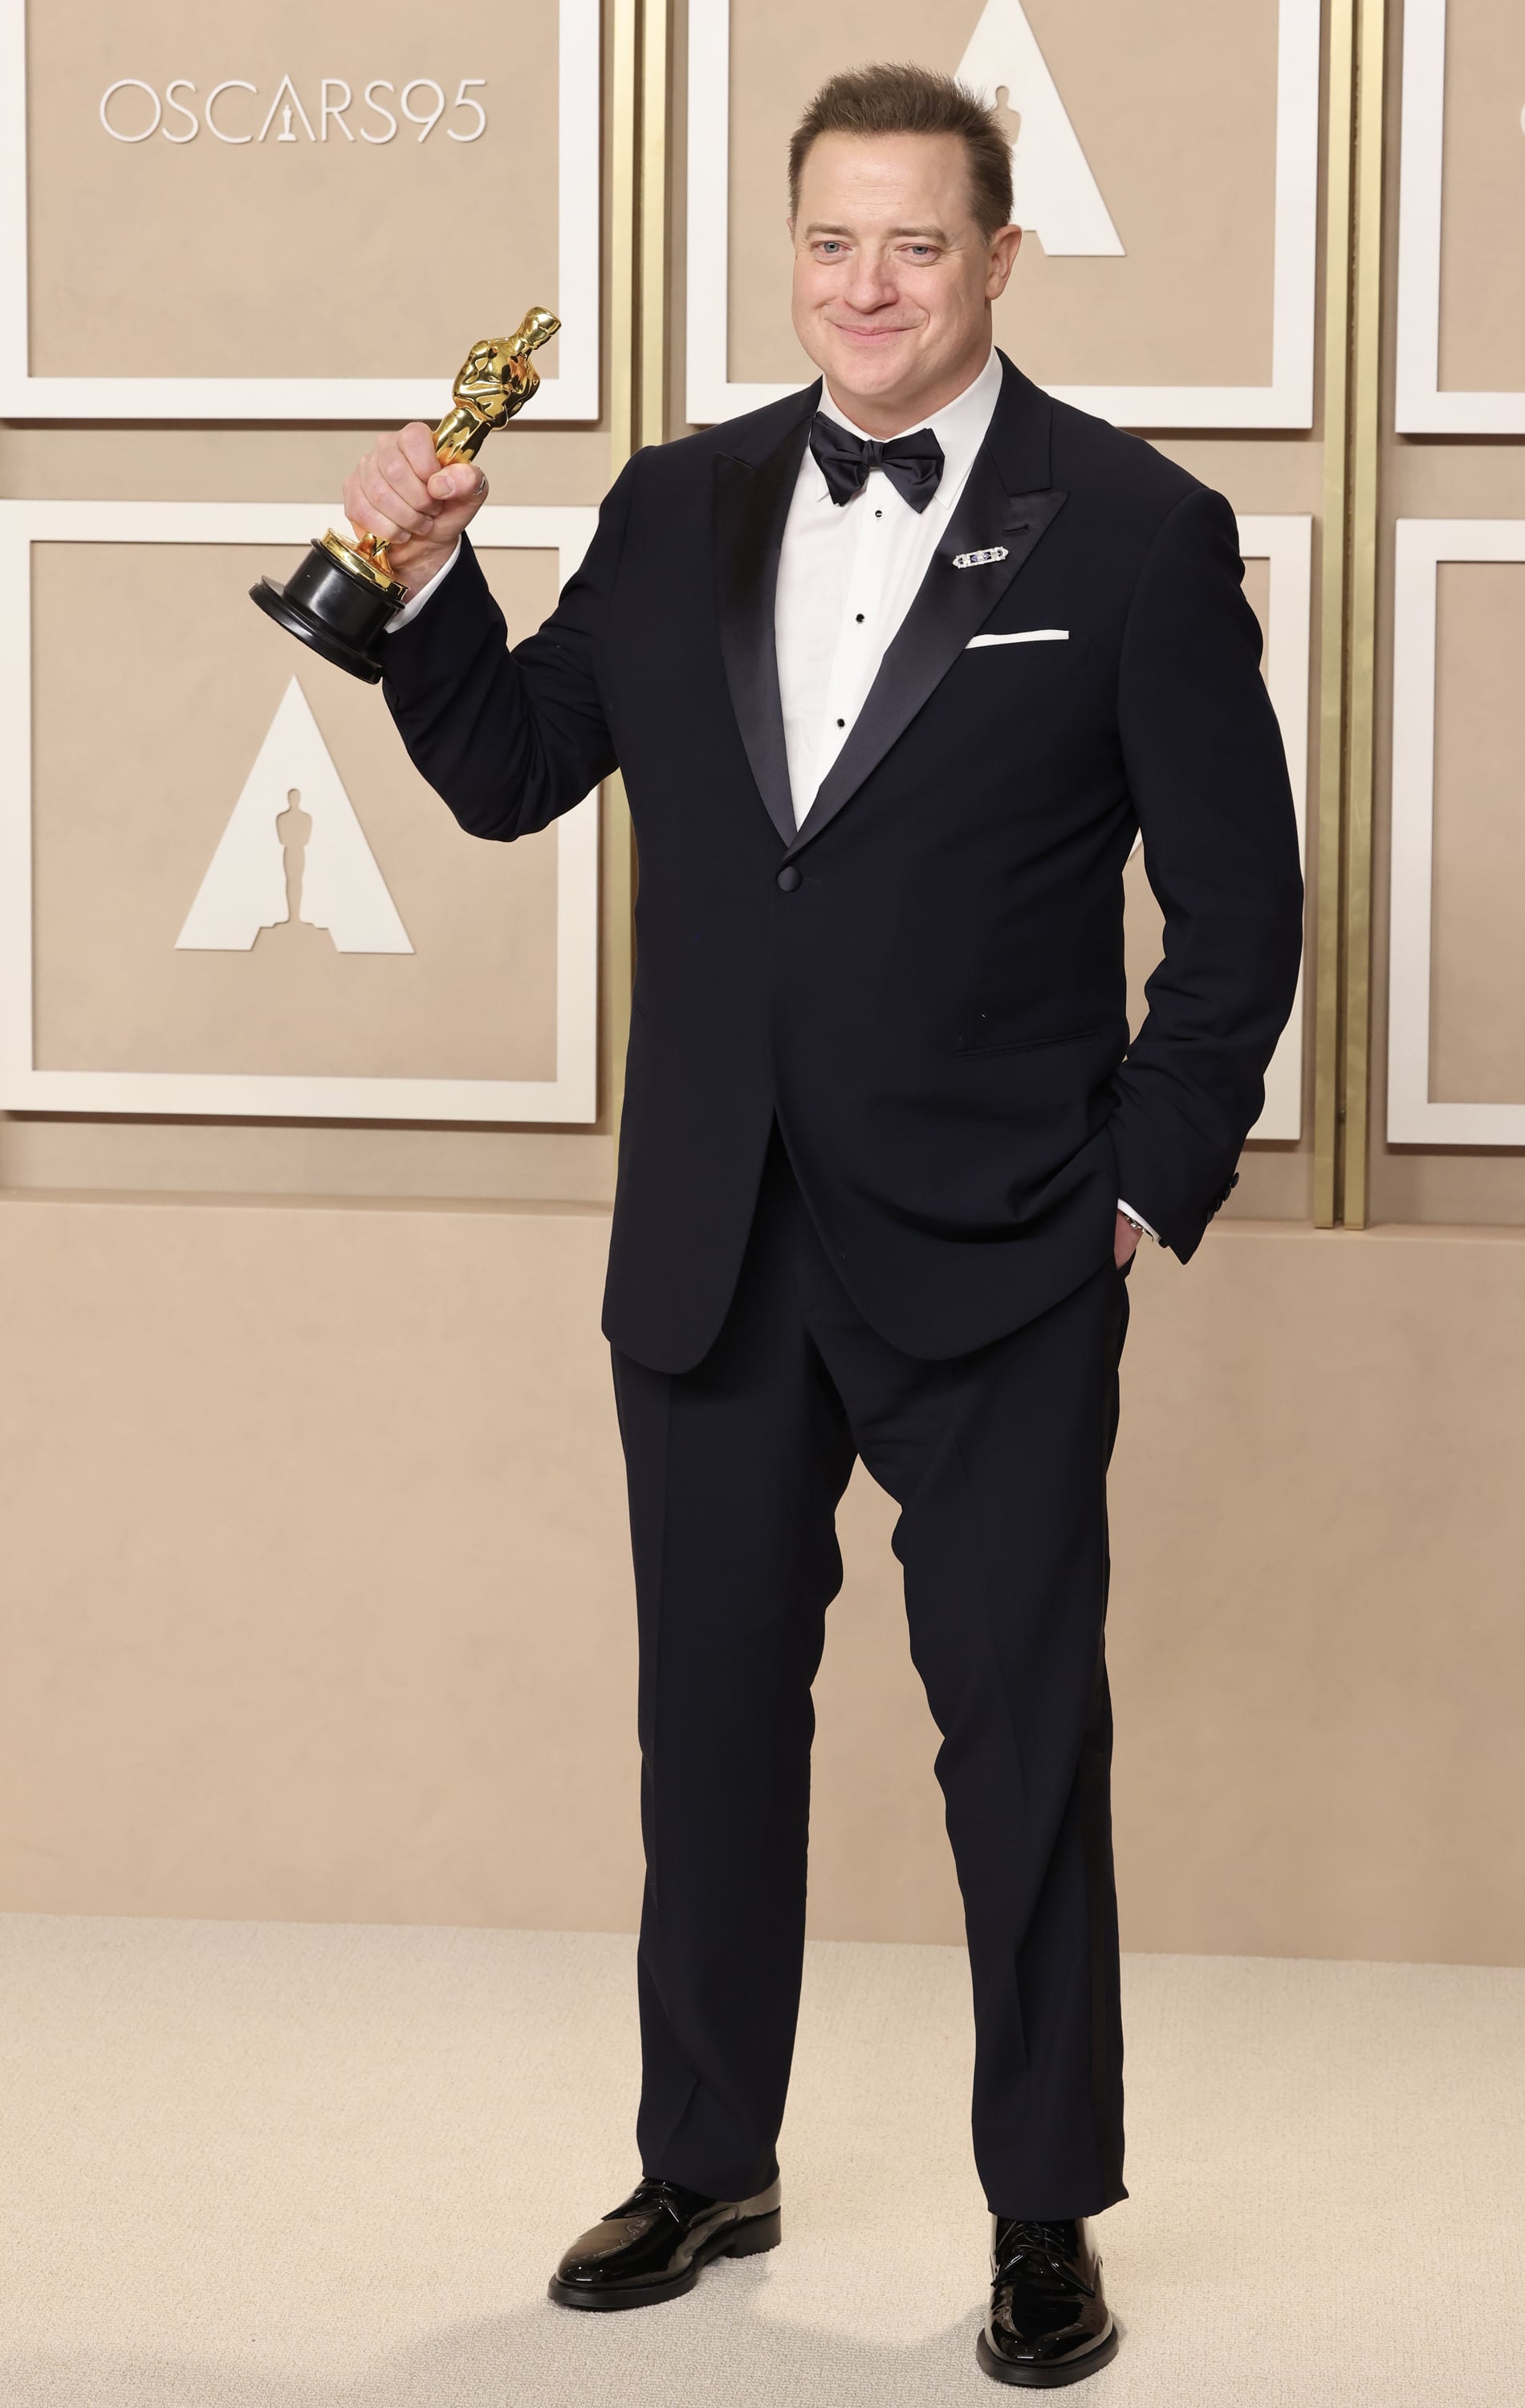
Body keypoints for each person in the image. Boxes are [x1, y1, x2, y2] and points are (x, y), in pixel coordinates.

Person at [344, 63, 1303, 2387]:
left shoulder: (1132, 534)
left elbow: (1243, 913)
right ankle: (706, 2160)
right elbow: (502, 777)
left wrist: (1138, 1196)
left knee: (1019, 1744)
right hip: (710, 1238)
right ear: (792, 255)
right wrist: (417, 578)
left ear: (997, 261)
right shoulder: (672, 508)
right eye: (828, 243)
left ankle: (1044, 2212)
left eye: (913, 243)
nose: (865, 286)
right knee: (709, 1733)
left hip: (1001, 1247)